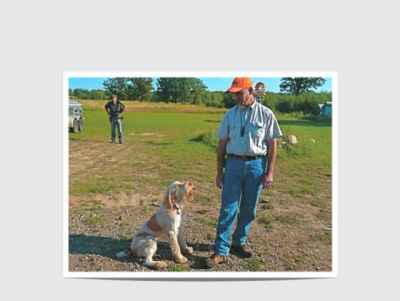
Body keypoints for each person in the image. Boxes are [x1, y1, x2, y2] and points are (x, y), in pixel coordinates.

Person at [208, 77, 283, 266]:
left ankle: (238, 243)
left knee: (249, 209)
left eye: (239, 93)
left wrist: (270, 172)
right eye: (234, 94)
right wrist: (219, 171)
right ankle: (221, 250)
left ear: (250, 91)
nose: (236, 98)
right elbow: (222, 144)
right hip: (232, 164)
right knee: (228, 208)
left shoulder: (266, 114)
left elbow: (273, 145)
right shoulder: (230, 115)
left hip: (256, 166)